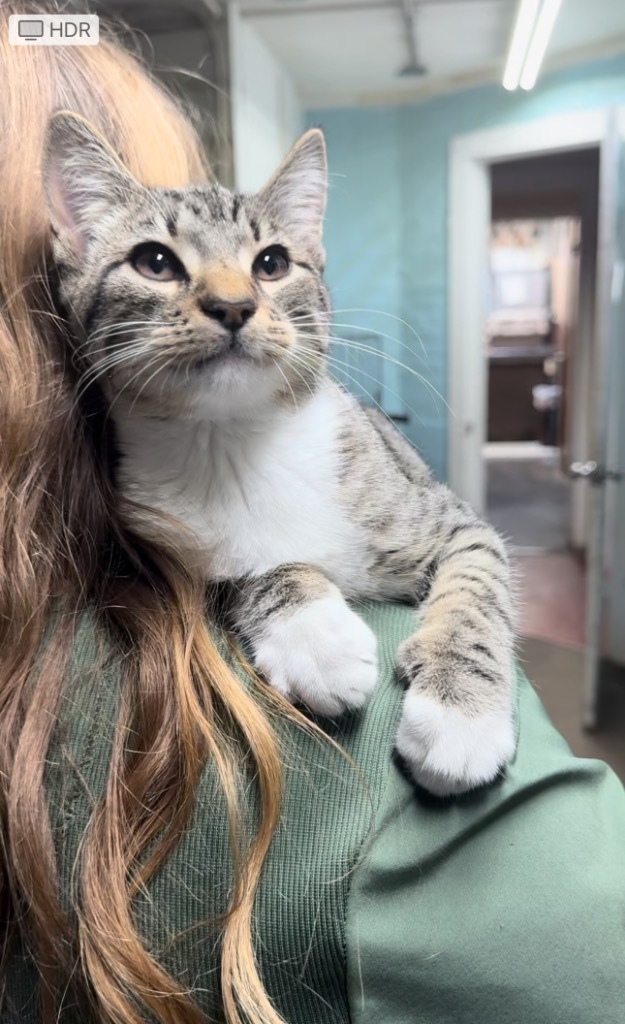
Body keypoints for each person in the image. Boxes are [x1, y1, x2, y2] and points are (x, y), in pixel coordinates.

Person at [1, 4, 624, 1023]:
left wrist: (466, 663)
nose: (229, 294)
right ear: (74, 266)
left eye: (271, 260)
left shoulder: (353, 460)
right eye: (159, 260)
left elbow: (463, 538)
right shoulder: (130, 512)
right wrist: (277, 586)